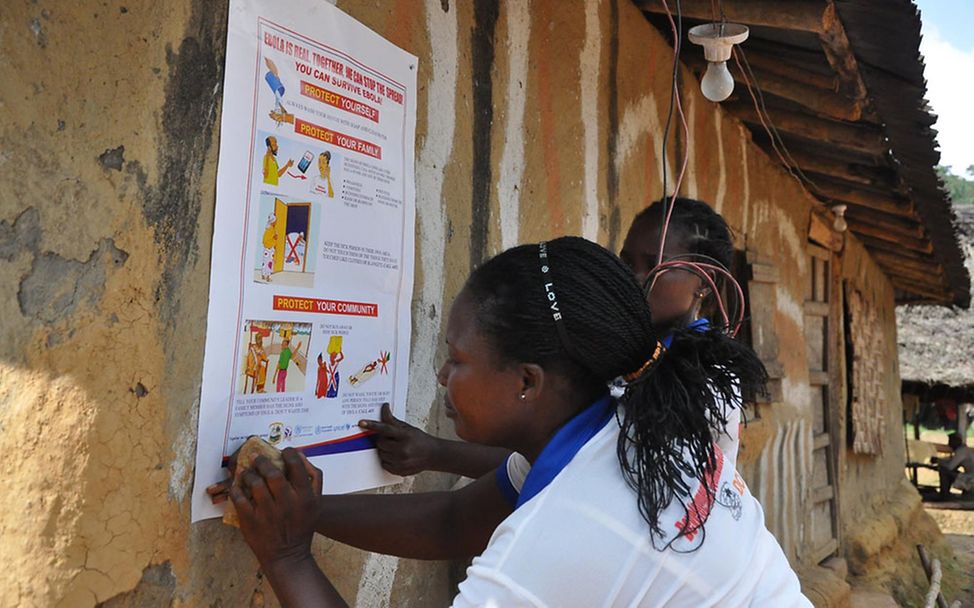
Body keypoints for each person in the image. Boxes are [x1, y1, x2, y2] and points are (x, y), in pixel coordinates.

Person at [214, 236, 810, 607]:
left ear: (527, 381)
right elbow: (453, 522)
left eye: (458, 360)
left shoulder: (568, 529)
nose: (443, 378)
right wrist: (303, 513)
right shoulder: (619, 421)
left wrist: (287, 556)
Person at [361, 197, 743, 478]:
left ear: (704, 286)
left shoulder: (702, 382)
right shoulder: (620, 350)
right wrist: (433, 452)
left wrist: (437, 453)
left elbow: (576, 463)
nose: (637, 278)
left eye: (658, 267)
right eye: (628, 261)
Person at [936, 432, 974, 498]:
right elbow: (953, 463)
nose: (949, 444)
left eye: (950, 441)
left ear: (956, 442)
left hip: (971, 480)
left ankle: (944, 494)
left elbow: (950, 467)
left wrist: (938, 461)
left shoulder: (961, 452)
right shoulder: (965, 450)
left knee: (944, 470)